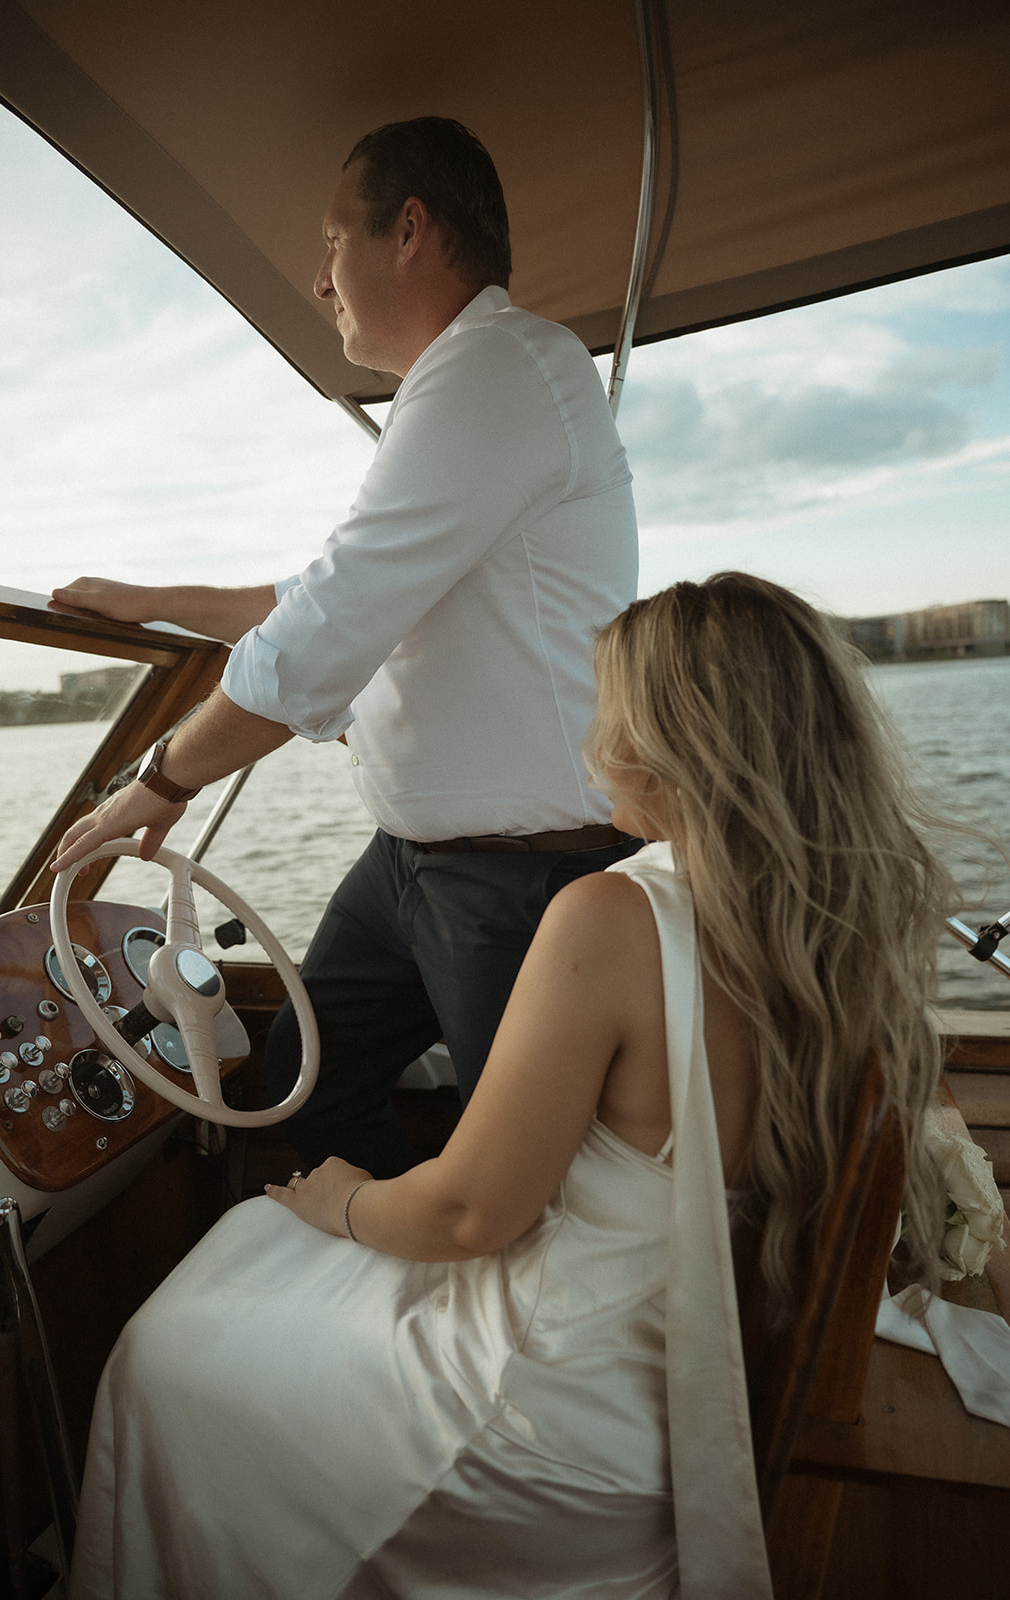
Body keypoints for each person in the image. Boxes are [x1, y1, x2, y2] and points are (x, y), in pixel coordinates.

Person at [68, 573, 951, 1600]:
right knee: (246, 1260)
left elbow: (468, 1213)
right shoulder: (851, 918)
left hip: (553, 1416)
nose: (584, 740)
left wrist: (335, 1198)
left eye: (601, 711)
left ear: (664, 743)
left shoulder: (611, 918)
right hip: (686, 1374)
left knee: (170, 1344)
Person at [50, 117, 639, 1175]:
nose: (320, 280)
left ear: (408, 229)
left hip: (523, 880)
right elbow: (331, 593)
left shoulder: (498, 369)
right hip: (409, 866)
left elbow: (330, 622)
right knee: (298, 1094)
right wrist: (151, 598)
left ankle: (458, 1317)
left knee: (543, 1179)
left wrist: (164, 776)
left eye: (331, 241)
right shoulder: (456, 392)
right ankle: (365, 1280)